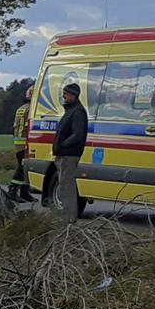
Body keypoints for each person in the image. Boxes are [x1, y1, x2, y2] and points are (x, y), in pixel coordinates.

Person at [51, 82, 88, 219]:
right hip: (64, 154)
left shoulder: (77, 112)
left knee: (66, 186)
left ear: (73, 95)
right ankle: (66, 216)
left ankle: (68, 218)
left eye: (66, 94)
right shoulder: (70, 110)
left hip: (69, 154)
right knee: (63, 185)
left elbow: (78, 134)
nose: (64, 96)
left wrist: (62, 145)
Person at [8, 87, 36, 202]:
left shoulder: (21, 108)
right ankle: (12, 190)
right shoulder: (32, 109)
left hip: (18, 143)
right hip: (26, 143)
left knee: (25, 169)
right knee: (22, 168)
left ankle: (24, 192)